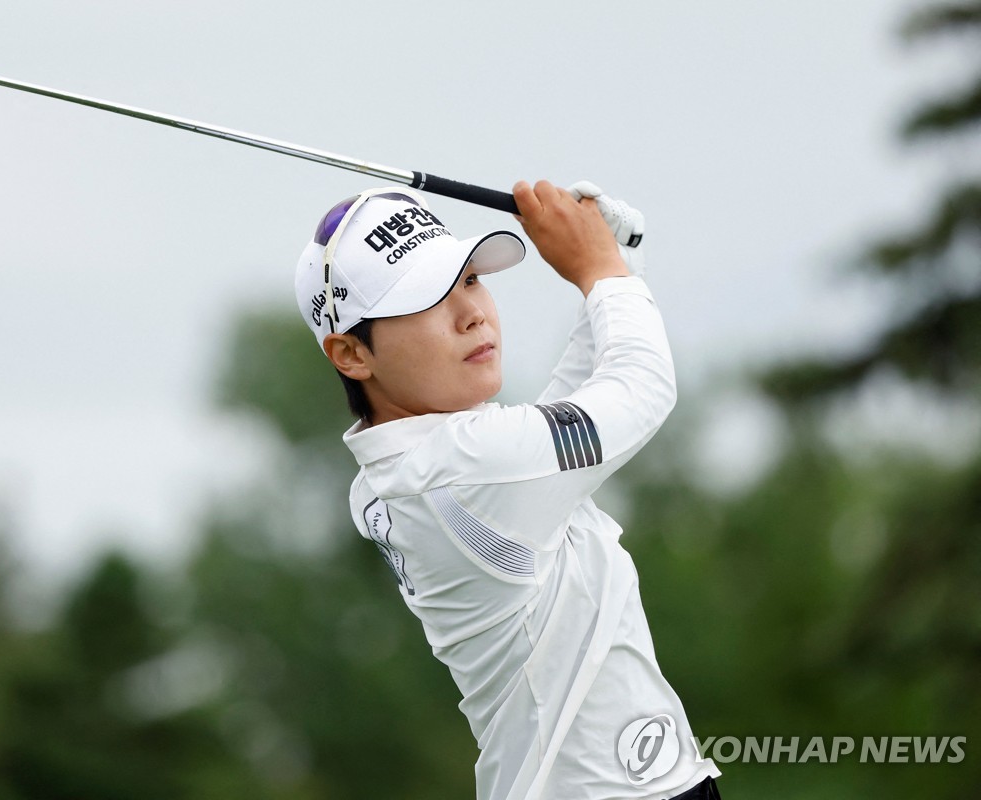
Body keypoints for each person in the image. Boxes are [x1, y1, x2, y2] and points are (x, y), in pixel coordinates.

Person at [293, 180, 722, 800]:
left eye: (468, 280)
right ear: (352, 353)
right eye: (425, 299)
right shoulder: (463, 466)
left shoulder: (412, 468)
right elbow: (640, 390)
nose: (472, 312)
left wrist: (618, 260)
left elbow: (568, 418)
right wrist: (601, 269)